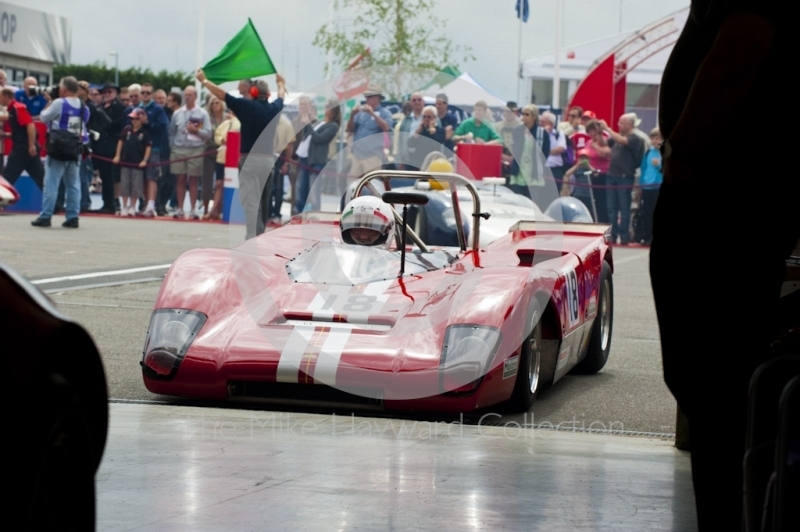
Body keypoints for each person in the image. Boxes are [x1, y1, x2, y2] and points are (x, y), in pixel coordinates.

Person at [652, 3, 797, 530]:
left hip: (720, 191)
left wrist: (685, 152)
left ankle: (727, 517)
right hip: (731, 188)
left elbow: (741, 48)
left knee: (712, 380)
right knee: (712, 382)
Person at [197, 68, 286, 239]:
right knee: (264, 202)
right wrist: (281, 83)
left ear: (253, 92)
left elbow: (222, 95)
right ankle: (259, 235)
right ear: (268, 94)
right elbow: (281, 96)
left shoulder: (246, 107)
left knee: (251, 201)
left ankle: (251, 238)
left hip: (249, 160)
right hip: (268, 161)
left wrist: (205, 81)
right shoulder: (274, 108)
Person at [30, 76, 90, 228]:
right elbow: (84, 124)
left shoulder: (59, 103)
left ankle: (46, 216)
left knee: (51, 183)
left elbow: (43, 118)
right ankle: (72, 216)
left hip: (57, 147)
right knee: (73, 184)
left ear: (64, 89)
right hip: (74, 148)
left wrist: (49, 102)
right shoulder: (84, 106)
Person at [600, 113, 644, 245]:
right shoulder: (617, 138)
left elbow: (621, 141)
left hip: (625, 177)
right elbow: (605, 145)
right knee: (611, 207)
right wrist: (599, 132)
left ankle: (623, 236)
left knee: (624, 208)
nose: (619, 125)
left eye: (622, 123)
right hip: (611, 175)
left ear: (630, 125)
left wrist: (607, 128)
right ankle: (612, 235)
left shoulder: (635, 138)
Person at [168, 85, 211, 219]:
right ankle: (180, 208)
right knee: (180, 178)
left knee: (193, 180)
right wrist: (173, 147)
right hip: (179, 148)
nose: (187, 97)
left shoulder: (202, 113)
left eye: (190, 95)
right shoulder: (177, 113)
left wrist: (196, 131)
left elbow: (208, 133)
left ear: (195, 97)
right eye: (185, 95)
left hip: (195, 149)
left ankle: (192, 209)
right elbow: (171, 132)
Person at [294, 102, 340, 214]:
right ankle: (299, 213)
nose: (326, 109)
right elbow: (306, 135)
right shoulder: (319, 122)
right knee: (301, 189)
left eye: (328, 107)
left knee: (314, 191)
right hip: (305, 158)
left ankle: (315, 214)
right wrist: (305, 122)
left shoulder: (333, 126)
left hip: (317, 160)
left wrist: (308, 124)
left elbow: (319, 139)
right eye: (326, 106)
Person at [91, 81, 126, 214]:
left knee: (110, 176)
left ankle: (110, 203)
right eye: (104, 92)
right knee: (104, 176)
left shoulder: (120, 108)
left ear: (116, 93)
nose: (107, 94)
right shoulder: (100, 107)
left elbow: (118, 125)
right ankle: (106, 202)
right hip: (101, 145)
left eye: (109, 92)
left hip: (113, 144)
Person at [0, 88, 45, 190]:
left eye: (0, 96)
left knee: (8, 176)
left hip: (23, 148)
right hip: (25, 147)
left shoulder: (18, 108)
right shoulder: (12, 110)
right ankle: (57, 204)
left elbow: (30, 126)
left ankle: (2, 200)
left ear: (7, 96)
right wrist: (6, 135)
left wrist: (31, 145)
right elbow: (21, 131)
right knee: (41, 178)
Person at [346, 85, 394, 179]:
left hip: (372, 155)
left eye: (370, 97)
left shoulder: (385, 113)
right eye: (366, 97)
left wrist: (372, 114)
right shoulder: (360, 114)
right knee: (352, 184)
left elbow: (386, 127)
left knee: (372, 184)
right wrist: (352, 115)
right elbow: (349, 129)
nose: (367, 99)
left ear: (377, 98)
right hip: (357, 155)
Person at [507, 104, 551, 205]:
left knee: (532, 201)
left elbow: (545, 151)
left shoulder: (542, 132)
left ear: (534, 117)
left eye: (527, 114)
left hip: (534, 170)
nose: (524, 116)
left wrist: (539, 164)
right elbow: (514, 147)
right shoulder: (517, 130)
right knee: (517, 201)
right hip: (519, 169)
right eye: (523, 114)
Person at [112, 108, 152, 217]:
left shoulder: (144, 133)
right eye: (132, 119)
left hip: (137, 164)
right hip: (125, 162)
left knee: (136, 186)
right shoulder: (127, 130)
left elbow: (148, 147)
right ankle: (124, 206)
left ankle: (132, 206)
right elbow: (120, 142)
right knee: (125, 185)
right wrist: (117, 155)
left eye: (137, 119)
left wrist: (144, 160)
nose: (134, 121)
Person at [138, 82, 169, 217]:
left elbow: (163, 126)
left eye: (148, 93)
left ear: (151, 94)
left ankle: (151, 204)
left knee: (152, 177)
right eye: (143, 92)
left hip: (154, 147)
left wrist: (147, 123)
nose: (145, 95)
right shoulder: (135, 108)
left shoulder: (158, 109)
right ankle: (144, 203)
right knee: (142, 177)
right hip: (138, 147)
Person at [209, 108, 240, 220]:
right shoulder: (224, 124)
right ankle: (214, 210)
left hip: (234, 159)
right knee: (218, 184)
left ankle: (227, 210)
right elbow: (217, 136)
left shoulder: (240, 123)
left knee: (231, 185)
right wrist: (222, 140)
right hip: (221, 157)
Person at [201, 94, 226, 219]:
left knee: (220, 182)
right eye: (213, 103)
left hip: (223, 152)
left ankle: (217, 210)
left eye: (217, 102)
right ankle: (206, 208)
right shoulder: (206, 117)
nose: (215, 105)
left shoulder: (227, 118)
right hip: (209, 150)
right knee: (207, 180)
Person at [637, 128, 662, 245]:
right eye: (653, 138)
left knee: (656, 212)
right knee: (647, 212)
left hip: (657, 187)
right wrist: (641, 186)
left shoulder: (664, 153)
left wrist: (659, 166)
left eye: (657, 138)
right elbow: (643, 169)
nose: (655, 141)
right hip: (647, 187)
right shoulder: (648, 153)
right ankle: (647, 236)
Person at [406, 106, 446, 170]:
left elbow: (437, 144)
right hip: (418, 164)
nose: (426, 119)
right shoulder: (421, 130)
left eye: (429, 117)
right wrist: (417, 132)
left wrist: (431, 130)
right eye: (424, 117)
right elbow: (410, 144)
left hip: (433, 163)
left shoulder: (440, 130)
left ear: (434, 118)